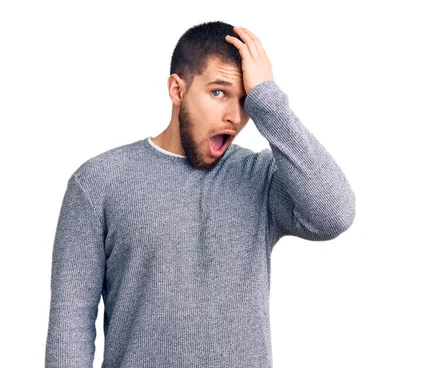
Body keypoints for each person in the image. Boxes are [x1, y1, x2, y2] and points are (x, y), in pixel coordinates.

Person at [44, 20, 355, 368]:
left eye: (245, 101)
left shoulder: (260, 178)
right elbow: (70, 324)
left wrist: (268, 99)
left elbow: (334, 214)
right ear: (177, 90)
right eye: (218, 92)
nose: (234, 117)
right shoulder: (98, 182)